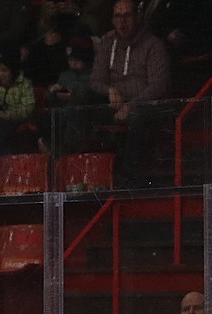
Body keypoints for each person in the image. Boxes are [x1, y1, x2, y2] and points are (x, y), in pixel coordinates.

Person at [81, 0, 171, 186]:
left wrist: (131, 105)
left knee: (139, 115)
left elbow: (158, 85)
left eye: (127, 16)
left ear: (136, 17)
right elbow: (95, 80)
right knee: (81, 97)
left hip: (144, 107)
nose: (122, 22)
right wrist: (109, 90)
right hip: (114, 103)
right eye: (118, 17)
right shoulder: (107, 44)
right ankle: (78, 167)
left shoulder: (153, 45)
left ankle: (130, 177)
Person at [0, 53, 37, 171]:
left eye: (4, 70)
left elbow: (28, 109)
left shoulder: (24, 84)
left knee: (2, 125)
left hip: (16, 120)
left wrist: (9, 114)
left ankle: (1, 160)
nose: (0, 74)